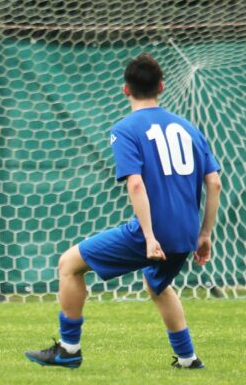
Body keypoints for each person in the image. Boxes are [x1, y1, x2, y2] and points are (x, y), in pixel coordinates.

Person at [25, 53, 221, 369]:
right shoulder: (188, 128)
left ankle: (68, 350)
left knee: (68, 265)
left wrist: (148, 236)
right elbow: (214, 183)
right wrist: (205, 234)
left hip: (152, 232)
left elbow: (136, 186)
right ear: (161, 86)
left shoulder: (125, 129)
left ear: (125, 90)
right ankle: (187, 359)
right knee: (157, 283)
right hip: (186, 233)